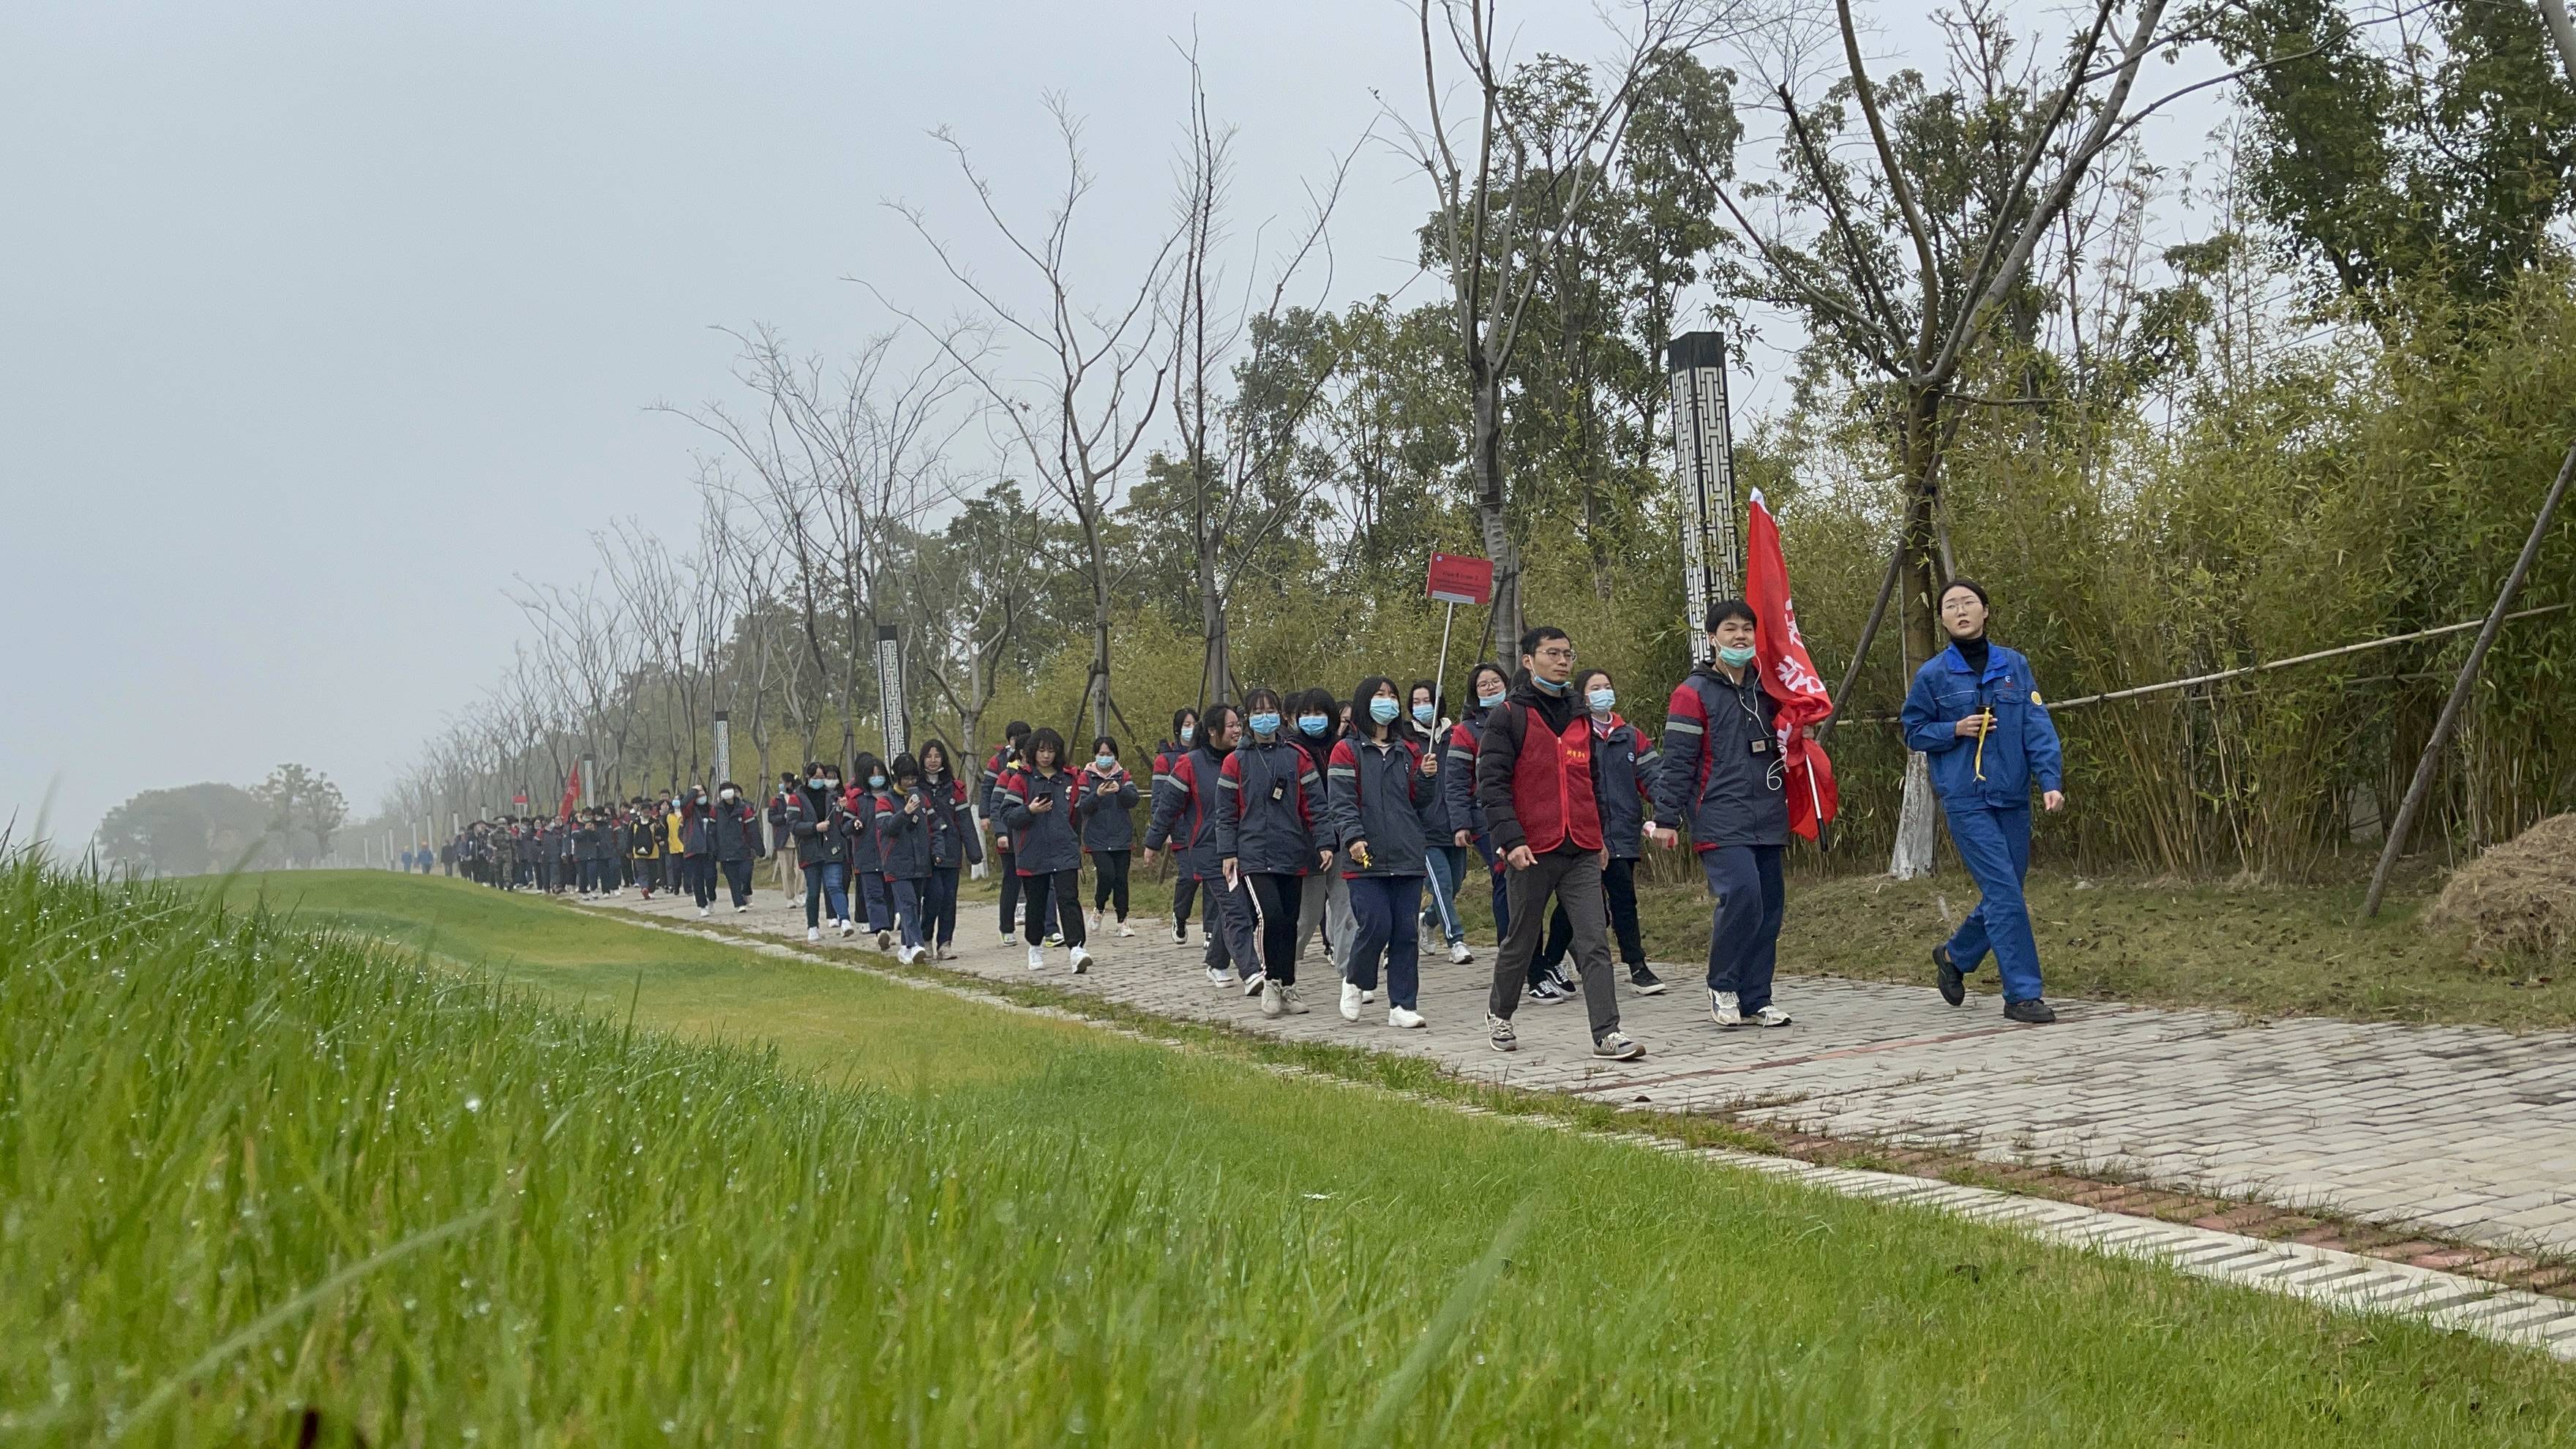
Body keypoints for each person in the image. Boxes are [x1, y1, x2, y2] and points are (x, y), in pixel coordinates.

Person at [1901, 577, 2067, 1025]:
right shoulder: (1934, 675)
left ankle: (1955, 956)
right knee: (2003, 891)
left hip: (2012, 794)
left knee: (2006, 891)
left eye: (1968, 603)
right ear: (1942, 619)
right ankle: (2022, 994)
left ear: (1985, 611)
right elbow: (1913, 731)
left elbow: (2037, 725)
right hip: (1966, 799)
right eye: (1950, 605)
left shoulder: (2014, 665)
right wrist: (1953, 730)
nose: (1960, 611)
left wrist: (2050, 779)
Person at [1475, 626, 1645, 1060]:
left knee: (1594, 942)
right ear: (1529, 661)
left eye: (1568, 653)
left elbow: (1595, 780)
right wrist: (1510, 839)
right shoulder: (1508, 715)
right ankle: (1500, 1013)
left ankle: (1607, 1033)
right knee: (1522, 936)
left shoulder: (1581, 714)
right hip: (1531, 849)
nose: (1563, 661)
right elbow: (1492, 785)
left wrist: (1602, 836)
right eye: (1553, 653)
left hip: (1583, 848)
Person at [1658, 605, 1795, 1029]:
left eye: (1747, 629)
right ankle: (1723, 984)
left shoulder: (1769, 687)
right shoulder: (1693, 692)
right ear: (1712, 636)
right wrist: (1666, 817)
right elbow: (1677, 760)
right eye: (1730, 629)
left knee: (1769, 905)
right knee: (1742, 896)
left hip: (1768, 811)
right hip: (1718, 813)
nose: (1740, 637)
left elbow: (1791, 737)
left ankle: (1758, 997)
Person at [1532, 668, 1666, 995]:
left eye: (1607, 686)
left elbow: (1653, 777)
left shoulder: (1631, 736)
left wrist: (1667, 810)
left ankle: (1637, 966)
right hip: (1584, 834)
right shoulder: (1573, 734)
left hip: (1623, 831)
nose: (1603, 693)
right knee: (1578, 904)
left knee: (1624, 900)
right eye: (1595, 688)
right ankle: (1551, 960)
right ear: (1582, 695)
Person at [1329, 676, 1434, 1028]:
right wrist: (1353, 837)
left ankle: (1402, 1005)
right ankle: (1356, 979)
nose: (1387, 701)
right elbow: (1341, 801)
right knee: (1376, 924)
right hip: (1366, 855)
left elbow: (1419, 802)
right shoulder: (1347, 751)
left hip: (1406, 853)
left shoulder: (1409, 750)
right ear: (1364, 702)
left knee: (1405, 932)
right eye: (1379, 695)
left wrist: (1427, 779)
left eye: (1392, 696)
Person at [1218, 688, 1327, 1019]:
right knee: (1271, 916)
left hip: (1292, 850)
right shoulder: (1235, 761)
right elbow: (1224, 813)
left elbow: (1316, 805)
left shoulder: (1297, 756)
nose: (1265, 716)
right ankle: (1269, 980)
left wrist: (1324, 841)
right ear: (1249, 718)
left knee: (1290, 921)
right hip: (1252, 853)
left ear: (1281, 715)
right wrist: (1228, 852)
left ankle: (1287, 984)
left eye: (1271, 710)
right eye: (1258, 711)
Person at [1143, 704, 1263, 992]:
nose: (1237, 730)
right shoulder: (1190, 763)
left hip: (1244, 847)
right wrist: (1153, 842)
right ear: (1212, 731)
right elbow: (1168, 806)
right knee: (1236, 909)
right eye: (1231, 725)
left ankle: (1217, 961)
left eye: (1239, 725)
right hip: (1209, 849)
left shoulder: (1245, 759)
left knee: (1238, 907)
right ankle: (1252, 972)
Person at [999, 727, 1092, 973]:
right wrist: (1030, 810)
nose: (1046, 756)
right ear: (1032, 752)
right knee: (1036, 903)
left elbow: (1075, 816)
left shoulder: (1069, 779)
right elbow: (1007, 815)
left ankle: (1076, 949)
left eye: (1051, 750)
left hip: (1064, 850)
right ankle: (1035, 946)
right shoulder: (1021, 779)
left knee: (1068, 899)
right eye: (1041, 750)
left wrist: (1074, 842)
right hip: (1032, 852)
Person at [1443, 663, 1516, 955]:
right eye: (1483, 684)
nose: (1490, 687)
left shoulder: (1520, 719)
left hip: (1520, 810)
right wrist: (1461, 824)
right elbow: (1456, 780)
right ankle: (1508, 948)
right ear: (1474, 693)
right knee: (1503, 875)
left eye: (1495, 681)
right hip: (1484, 816)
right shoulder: (1465, 732)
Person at [1289, 688, 1354, 986]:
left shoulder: (1344, 749)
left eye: (1319, 713)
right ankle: (1278, 966)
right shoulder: (1290, 752)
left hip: (1343, 840)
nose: (1312, 720)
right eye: (1306, 714)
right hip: (1308, 844)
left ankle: (1349, 974)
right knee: (1308, 915)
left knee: (1346, 909)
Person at [1408, 678, 1472, 966]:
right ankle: (1456, 939)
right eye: (1417, 703)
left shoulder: (1456, 735)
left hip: (1455, 824)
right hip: (1425, 831)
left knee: (1455, 884)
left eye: (1427, 701)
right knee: (1442, 885)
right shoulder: (1408, 742)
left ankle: (1428, 920)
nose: (1423, 707)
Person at [915, 739, 981, 958]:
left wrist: (975, 853)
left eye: (937, 756)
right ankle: (925, 938)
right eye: (929, 756)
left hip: (951, 850)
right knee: (934, 895)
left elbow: (965, 822)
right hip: (928, 852)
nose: (933, 761)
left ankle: (945, 943)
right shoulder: (916, 789)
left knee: (949, 898)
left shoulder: (955, 788)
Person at [875, 753, 935, 965]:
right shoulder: (885, 801)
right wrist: (905, 813)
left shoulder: (922, 798)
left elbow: (933, 824)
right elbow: (886, 828)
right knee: (907, 904)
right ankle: (917, 944)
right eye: (906, 778)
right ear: (897, 778)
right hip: (896, 863)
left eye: (913, 778)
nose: (910, 782)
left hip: (920, 863)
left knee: (915, 905)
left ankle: (905, 947)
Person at [1078, 735, 1139, 937]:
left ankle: (1123, 921)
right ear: (1095, 756)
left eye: (1109, 754)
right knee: (1106, 874)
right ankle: (1099, 907)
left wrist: (1119, 790)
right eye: (1101, 755)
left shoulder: (1124, 776)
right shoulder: (1086, 777)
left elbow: (1133, 800)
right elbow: (1082, 806)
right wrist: (1098, 795)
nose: (1105, 758)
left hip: (1121, 835)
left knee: (1121, 879)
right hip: (1097, 837)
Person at [1150, 708, 1201, 944]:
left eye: (1195, 724)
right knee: (1190, 877)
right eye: (1186, 724)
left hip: (1204, 829)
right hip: (1180, 829)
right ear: (1178, 729)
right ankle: (1180, 917)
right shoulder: (1166, 759)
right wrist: (1162, 832)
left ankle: (1211, 932)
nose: (1190, 729)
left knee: (1213, 881)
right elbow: (1160, 800)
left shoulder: (1206, 755)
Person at [785, 762, 850, 942]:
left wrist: (841, 809)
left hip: (831, 849)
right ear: (808, 778)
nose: (821, 781)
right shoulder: (797, 798)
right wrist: (814, 827)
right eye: (817, 778)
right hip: (810, 850)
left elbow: (839, 822)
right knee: (813, 891)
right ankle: (812, 926)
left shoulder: (832, 797)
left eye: (823, 778)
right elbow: (793, 824)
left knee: (835, 885)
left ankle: (844, 920)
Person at [982, 722, 1033, 947]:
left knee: (1036, 881)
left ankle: (1043, 927)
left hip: (1032, 833)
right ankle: (1006, 926)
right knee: (1011, 879)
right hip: (1009, 833)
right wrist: (996, 827)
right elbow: (990, 796)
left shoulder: (1040, 770)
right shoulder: (1001, 766)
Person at [847, 754, 893, 946]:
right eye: (872, 775)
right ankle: (880, 930)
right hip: (866, 855)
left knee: (890, 895)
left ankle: (890, 924)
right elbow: (845, 825)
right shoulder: (858, 799)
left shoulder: (893, 797)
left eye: (880, 774)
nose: (877, 778)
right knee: (873, 895)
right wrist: (854, 824)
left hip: (891, 855)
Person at [711, 781, 762, 910]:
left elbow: (753, 829)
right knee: (733, 879)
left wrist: (758, 847)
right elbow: (711, 832)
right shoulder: (716, 810)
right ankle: (739, 904)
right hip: (725, 850)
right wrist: (713, 848)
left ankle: (746, 891)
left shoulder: (744, 808)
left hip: (744, 849)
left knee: (746, 874)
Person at [769, 772, 804, 905]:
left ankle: (801, 892)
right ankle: (790, 897)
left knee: (801, 868)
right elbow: (771, 818)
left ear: (789, 783)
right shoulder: (777, 799)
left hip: (798, 836)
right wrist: (783, 817)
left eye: (781, 781)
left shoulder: (799, 797)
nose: (780, 784)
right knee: (786, 870)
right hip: (784, 838)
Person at [628, 803, 664, 900]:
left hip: (653, 852)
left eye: (648, 812)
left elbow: (663, 833)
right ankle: (644, 888)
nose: (646, 814)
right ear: (641, 812)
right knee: (642, 872)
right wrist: (628, 851)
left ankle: (650, 890)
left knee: (653, 873)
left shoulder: (655, 822)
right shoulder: (634, 823)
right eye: (644, 812)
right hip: (638, 853)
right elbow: (629, 838)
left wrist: (660, 839)